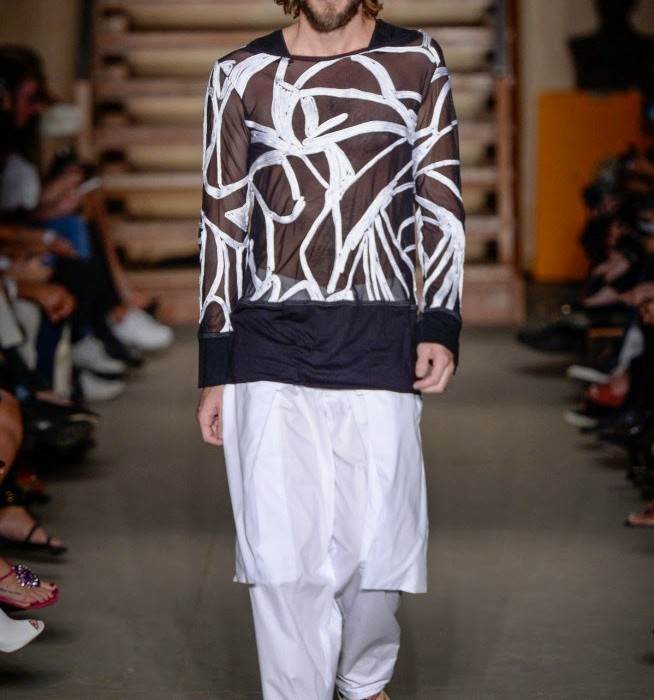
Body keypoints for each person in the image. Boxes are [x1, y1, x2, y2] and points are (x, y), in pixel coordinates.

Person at [195, 1, 465, 698]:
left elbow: (439, 195)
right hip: (267, 337)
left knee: (377, 555)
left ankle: (363, 678)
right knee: (282, 559)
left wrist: (440, 320)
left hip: (379, 333)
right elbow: (221, 218)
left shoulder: (416, 61)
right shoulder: (240, 73)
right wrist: (215, 361)